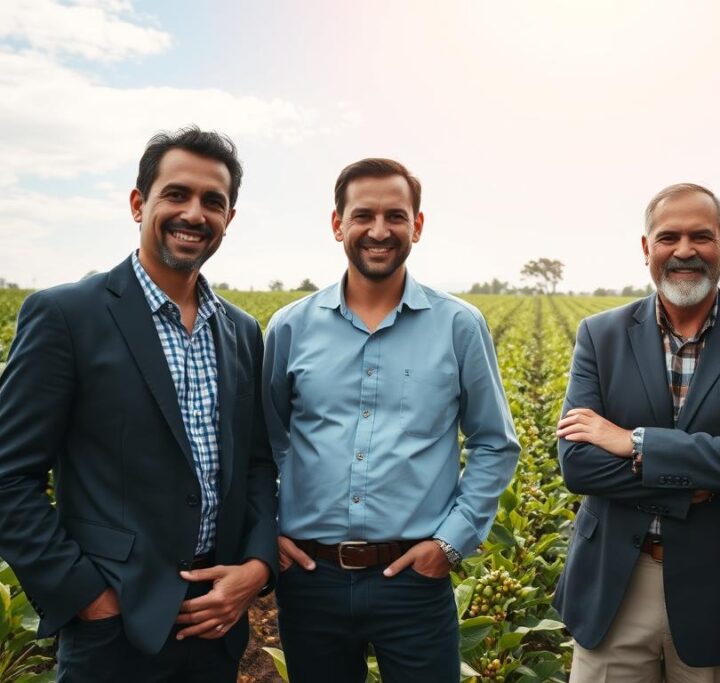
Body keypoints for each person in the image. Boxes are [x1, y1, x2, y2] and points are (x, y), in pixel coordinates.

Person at [0, 126, 278, 682]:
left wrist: (257, 567)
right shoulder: (66, 316)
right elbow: (8, 476)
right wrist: (88, 596)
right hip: (114, 629)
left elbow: (257, 466)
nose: (194, 214)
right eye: (176, 194)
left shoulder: (243, 332)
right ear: (138, 203)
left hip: (217, 625)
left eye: (212, 202)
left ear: (229, 219)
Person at [263, 158, 520, 683]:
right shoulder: (290, 326)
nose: (379, 231)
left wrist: (451, 542)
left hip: (414, 578)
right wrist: (267, 528)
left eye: (395, 216)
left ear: (416, 226)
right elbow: (261, 444)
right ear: (338, 224)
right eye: (363, 215)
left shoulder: (458, 325)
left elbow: (495, 443)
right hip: (310, 578)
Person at [553, 183, 720, 682]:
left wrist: (633, 442)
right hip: (616, 583)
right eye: (668, 237)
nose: (684, 251)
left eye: (701, 237)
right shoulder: (599, 335)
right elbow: (578, 465)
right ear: (647, 248)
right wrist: (709, 474)